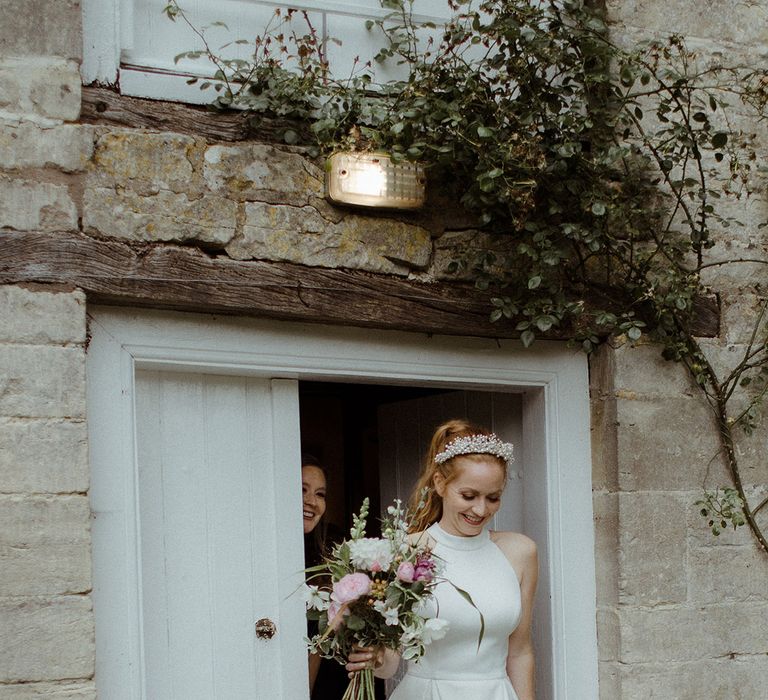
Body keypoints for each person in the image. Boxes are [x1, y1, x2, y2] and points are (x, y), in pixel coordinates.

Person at [346, 419, 538, 700]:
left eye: (493, 498)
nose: (481, 509)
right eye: (469, 495)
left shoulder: (520, 552)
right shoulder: (404, 550)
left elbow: (520, 652)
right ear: (440, 484)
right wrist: (371, 655)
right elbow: (389, 664)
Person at [301, 454, 350, 699]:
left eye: (320, 494)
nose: (311, 501)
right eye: (302, 490)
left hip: (327, 677)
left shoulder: (333, 546)